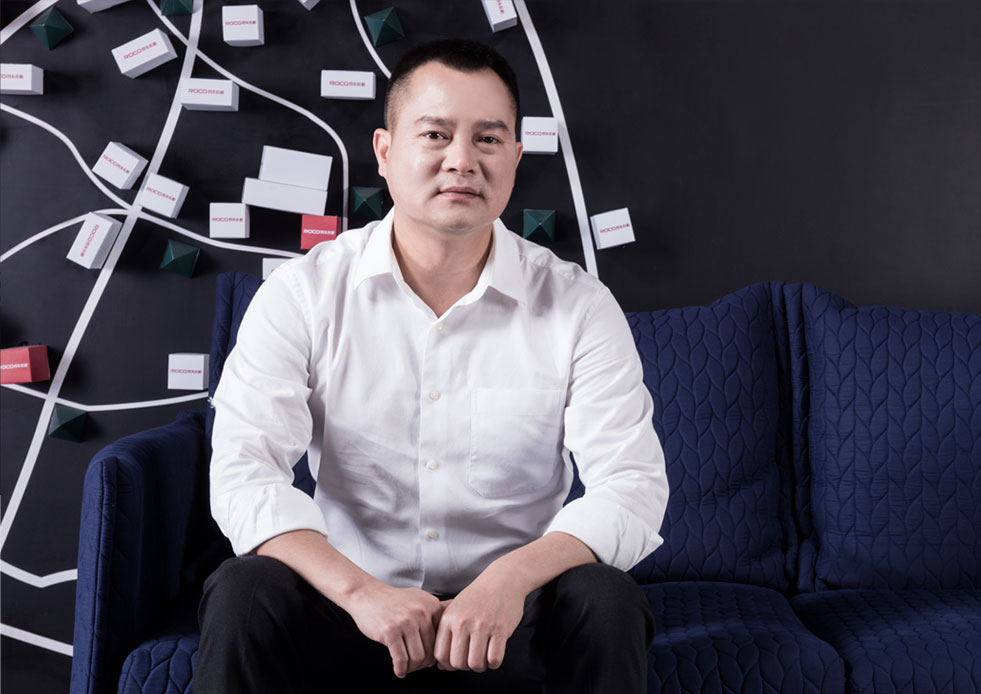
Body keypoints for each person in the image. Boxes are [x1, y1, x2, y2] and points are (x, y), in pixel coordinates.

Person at [195, 38, 669, 694]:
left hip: (514, 617)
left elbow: (631, 487)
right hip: (354, 608)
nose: (462, 160)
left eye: (488, 139)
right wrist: (361, 593)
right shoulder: (303, 293)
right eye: (436, 134)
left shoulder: (578, 306)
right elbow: (244, 474)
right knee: (245, 589)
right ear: (385, 151)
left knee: (607, 598)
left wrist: (507, 583)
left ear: (515, 158)